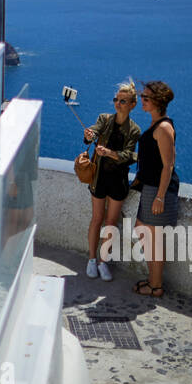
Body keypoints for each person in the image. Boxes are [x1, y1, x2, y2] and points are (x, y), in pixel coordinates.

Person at [83, 81, 142, 281]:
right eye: (116, 99)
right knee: (97, 219)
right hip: (99, 178)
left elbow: (129, 155)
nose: (117, 103)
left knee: (110, 223)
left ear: (132, 104)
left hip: (118, 181)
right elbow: (94, 132)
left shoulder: (134, 130)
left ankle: (103, 261)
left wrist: (109, 153)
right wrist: (89, 134)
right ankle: (92, 260)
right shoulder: (104, 119)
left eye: (123, 100)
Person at [132, 80, 177, 298]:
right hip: (150, 186)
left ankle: (156, 286)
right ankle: (153, 280)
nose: (142, 100)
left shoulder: (164, 127)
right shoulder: (155, 124)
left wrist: (160, 197)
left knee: (153, 239)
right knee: (143, 231)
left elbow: (168, 165)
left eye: (146, 97)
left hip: (159, 190)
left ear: (158, 101)